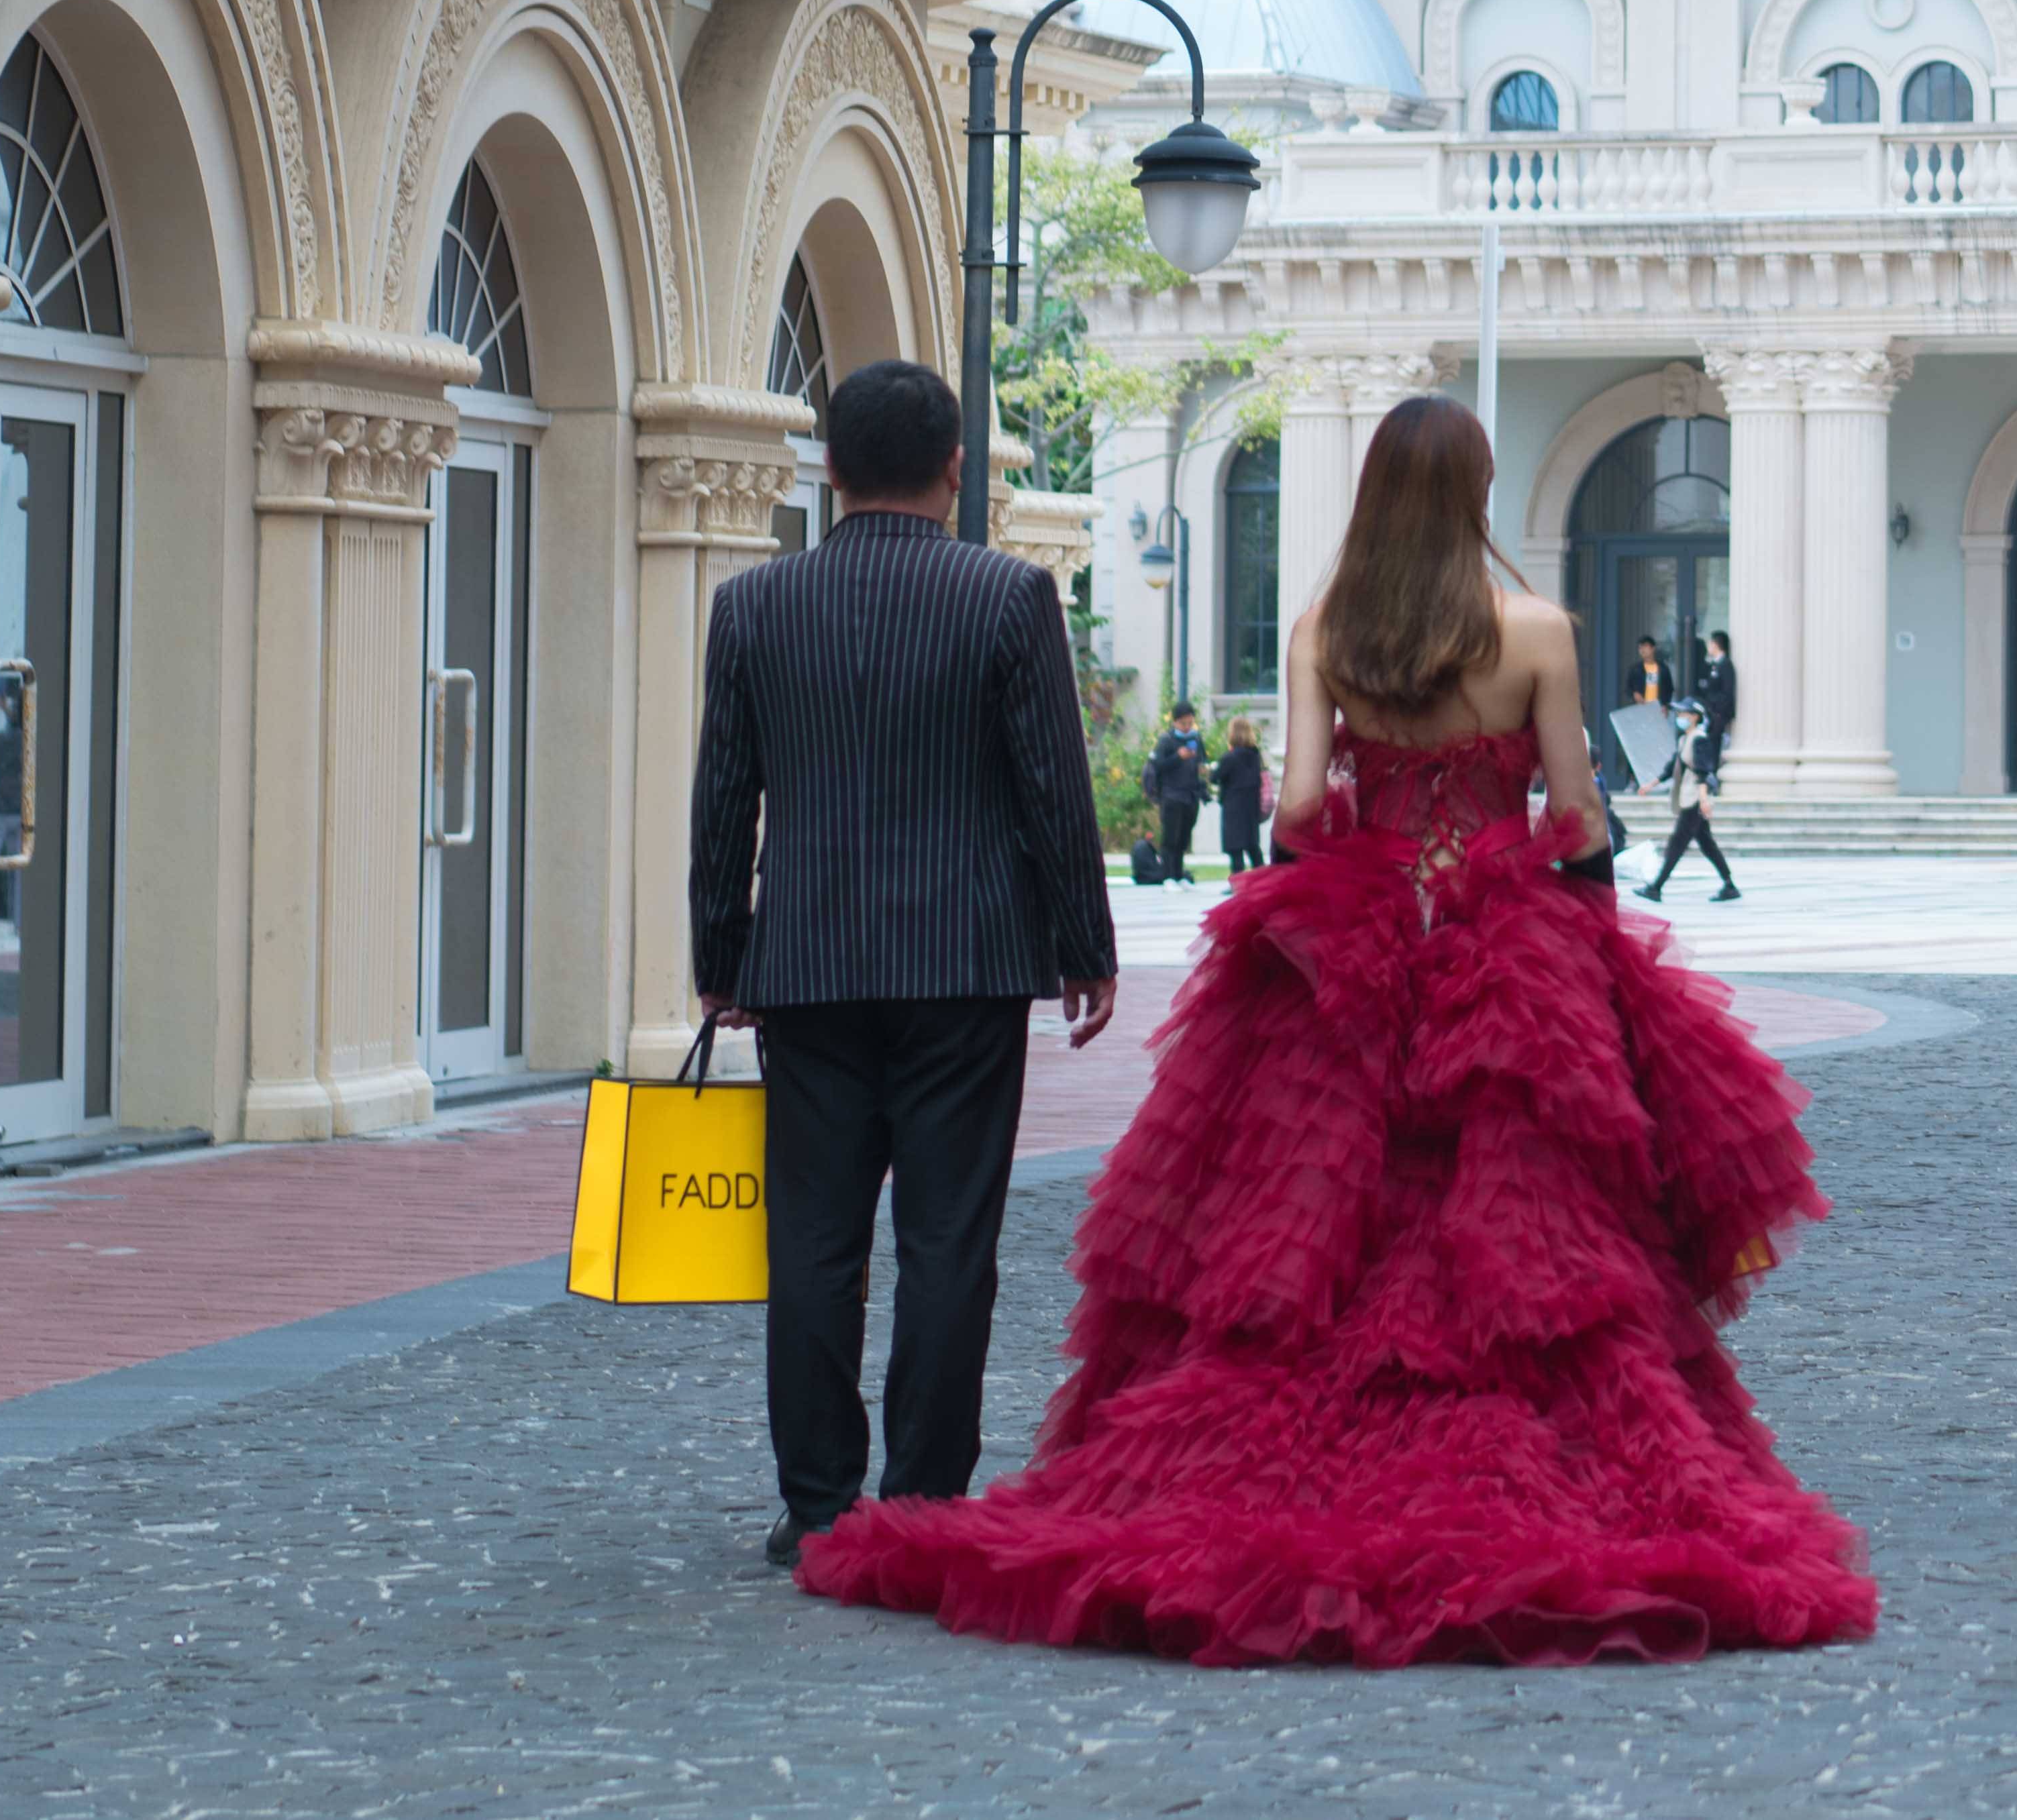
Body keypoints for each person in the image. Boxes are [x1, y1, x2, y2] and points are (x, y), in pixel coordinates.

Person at [797, 394, 1875, 1665]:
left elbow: (1303, 807)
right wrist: (1498, 834)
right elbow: (1579, 815)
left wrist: (1379, 831)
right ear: (1475, 493)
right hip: (1509, 957)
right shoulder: (1537, 630)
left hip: (1355, 950)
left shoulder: (1324, 630)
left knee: (1299, 1219)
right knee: (1536, 1224)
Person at [687, 358, 1119, 1575]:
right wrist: (1083, 944)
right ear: (953, 467)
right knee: (948, 1237)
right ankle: (923, 1496)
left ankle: (818, 1501)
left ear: (826, 468)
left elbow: (726, 799)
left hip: (809, 964)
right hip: (964, 962)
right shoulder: (1006, 596)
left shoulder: (755, 608)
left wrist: (721, 954)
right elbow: (1053, 785)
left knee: (813, 1240)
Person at [1640, 718, 1740, 905]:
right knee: (1707, 844)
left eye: (1684, 713)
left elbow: (1703, 772)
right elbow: (1673, 768)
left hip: (1694, 800)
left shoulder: (1699, 739)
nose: (1681, 717)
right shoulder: (1685, 739)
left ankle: (1656, 887)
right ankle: (1729, 884)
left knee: (1677, 843)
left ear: (1694, 717)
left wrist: (1703, 800)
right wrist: (1650, 785)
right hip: (1689, 797)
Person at [1141, 718, 1208, 887]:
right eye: (1183, 724)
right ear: (1176, 722)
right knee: (1170, 837)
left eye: (1190, 723)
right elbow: (1158, 766)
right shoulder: (1166, 740)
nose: (1187, 728)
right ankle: (1168, 877)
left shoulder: (1196, 739)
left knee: (1183, 838)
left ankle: (1179, 875)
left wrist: (1202, 768)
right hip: (1171, 795)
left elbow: (1202, 761)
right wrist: (1178, 757)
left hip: (1190, 795)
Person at [1210, 714, 1272, 877]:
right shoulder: (1255, 757)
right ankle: (1263, 879)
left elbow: (1215, 778)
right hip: (1251, 806)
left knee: (1235, 847)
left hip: (1233, 807)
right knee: (1252, 845)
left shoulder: (1229, 758)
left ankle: (1238, 879)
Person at [1695, 628, 1739, 783]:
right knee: (1709, 745)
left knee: (1715, 746)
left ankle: (1712, 778)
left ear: (1716, 645)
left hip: (1719, 715)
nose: (1709, 646)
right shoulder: (1714, 665)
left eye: (1711, 643)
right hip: (1711, 713)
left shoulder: (1726, 665)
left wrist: (1718, 711)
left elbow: (1727, 692)